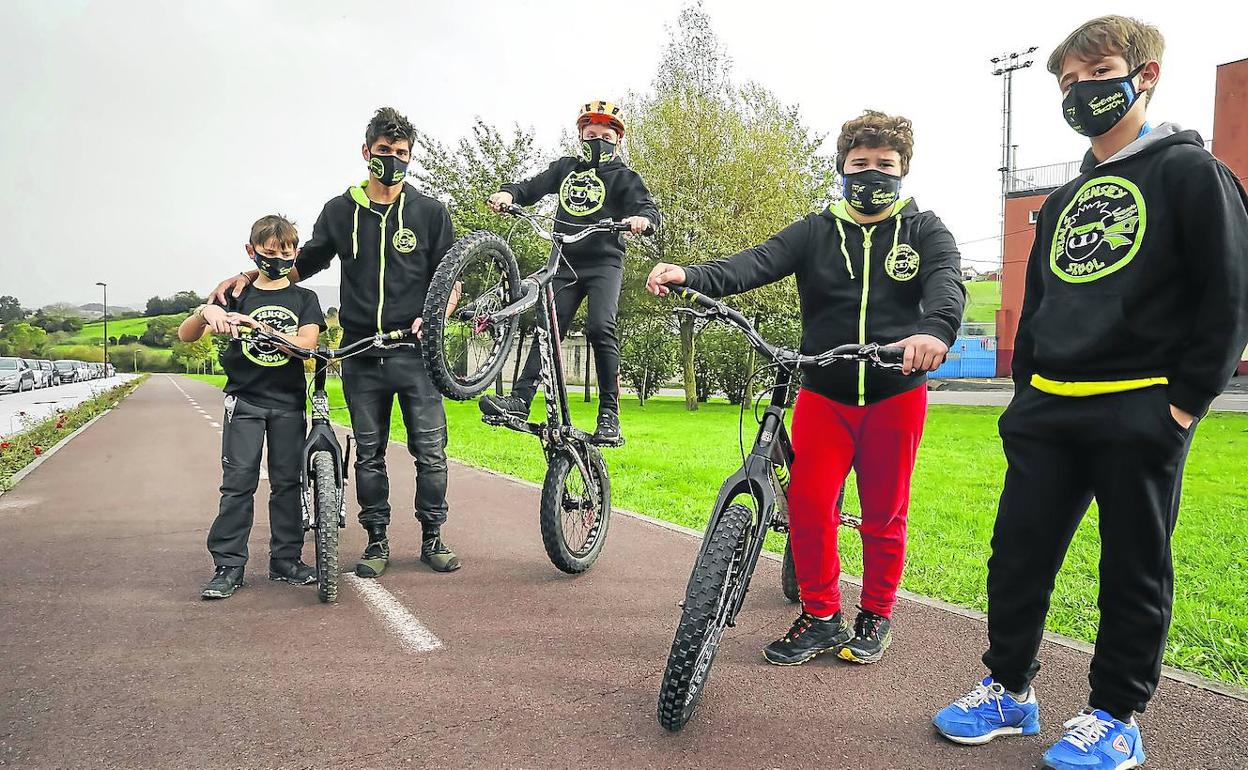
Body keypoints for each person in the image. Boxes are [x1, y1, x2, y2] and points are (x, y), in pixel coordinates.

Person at [932, 16, 1248, 770]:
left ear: (1144, 75)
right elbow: (1039, 303)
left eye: (1096, 71)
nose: (1080, 92)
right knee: (1016, 558)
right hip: (1049, 409)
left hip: (1140, 406)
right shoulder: (1071, 195)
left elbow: (1230, 295)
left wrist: (1183, 405)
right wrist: (1025, 399)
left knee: (1133, 566)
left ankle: (1115, 714)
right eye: (1068, 83)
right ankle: (1009, 689)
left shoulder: (1191, 173)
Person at [647, 110, 965, 666]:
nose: (872, 173)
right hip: (823, 394)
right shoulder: (816, 230)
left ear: (903, 172)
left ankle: (876, 614)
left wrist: (935, 330)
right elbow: (756, 263)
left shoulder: (924, 230)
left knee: (884, 513)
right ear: (842, 168)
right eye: (860, 163)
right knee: (810, 504)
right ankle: (820, 615)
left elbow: (947, 282)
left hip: (896, 394)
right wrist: (691, 276)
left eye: (885, 165)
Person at [211, 108, 460, 579]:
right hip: (361, 354)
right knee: (369, 453)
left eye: (402, 154)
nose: (393, 160)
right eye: (384, 152)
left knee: (430, 451)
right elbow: (304, 263)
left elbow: (452, 280)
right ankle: (377, 541)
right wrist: (246, 277)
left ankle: (433, 537)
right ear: (367, 153)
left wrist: (436, 316)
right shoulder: (340, 211)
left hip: (415, 355)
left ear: (412, 157)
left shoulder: (430, 212)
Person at [479, 101, 660, 442]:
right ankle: (520, 399)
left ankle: (609, 415)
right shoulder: (567, 169)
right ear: (580, 136)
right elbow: (530, 187)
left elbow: (646, 206)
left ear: (617, 141)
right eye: (591, 135)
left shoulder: (624, 178)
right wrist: (508, 193)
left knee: (600, 327)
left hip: (604, 263)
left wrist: (643, 220)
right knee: (548, 328)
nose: (598, 141)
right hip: (563, 262)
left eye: (606, 136)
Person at [182, 214, 326, 599]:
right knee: (238, 484)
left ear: (295, 254)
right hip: (244, 402)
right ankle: (228, 565)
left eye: (285, 252)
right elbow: (186, 335)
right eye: (268, 252)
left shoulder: (305, 298)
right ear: (251, 252)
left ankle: (286, 560)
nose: (277, 258)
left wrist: (260, 329)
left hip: (288, 405)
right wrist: (205, 312)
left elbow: (306, 345)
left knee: (287, 485)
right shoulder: (236, 293)